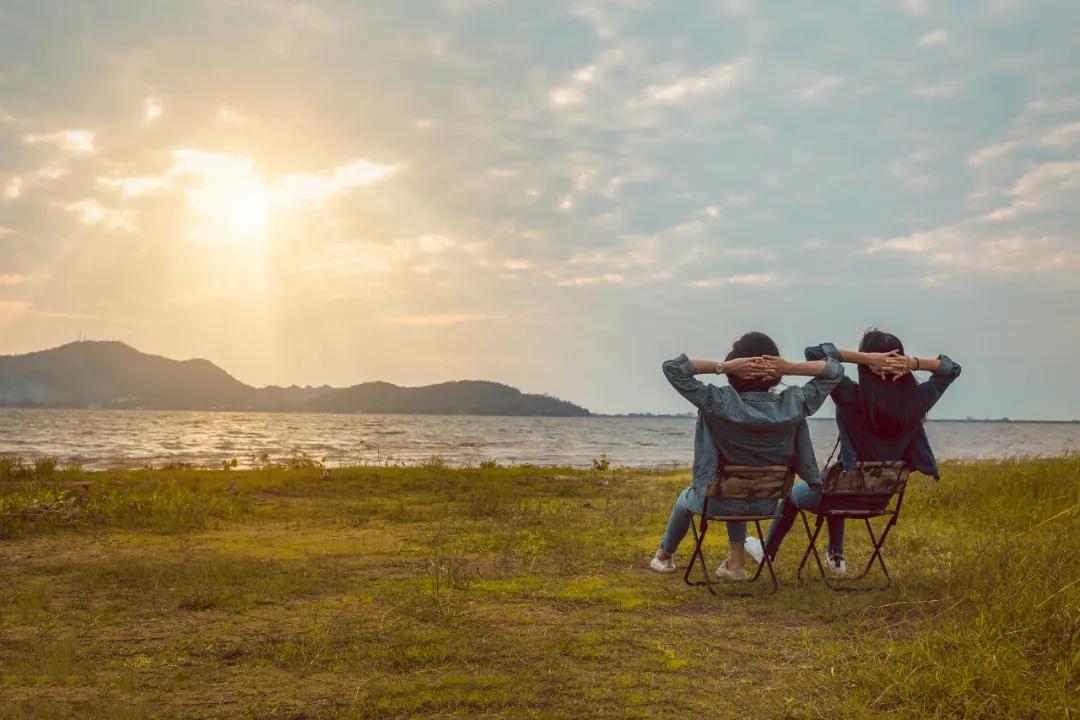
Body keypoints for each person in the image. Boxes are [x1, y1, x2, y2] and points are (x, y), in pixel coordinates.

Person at [755, 330, 962, 574]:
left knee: (797, 492)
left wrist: (865, 359)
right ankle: (836, 558)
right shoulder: (918, 399)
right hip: (880, 498)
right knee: (834, 479)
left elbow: (815, 353)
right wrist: (913, 363)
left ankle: (768, 552)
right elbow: (951, 369)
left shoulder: (851, 395)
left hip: (841, 493)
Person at [650, 331, 844, 581]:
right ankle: (736, 563)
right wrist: (788, 367)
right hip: (767, 501)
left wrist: (724, 366)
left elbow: (672, 368)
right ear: (774, 373)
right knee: (736, 483)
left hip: (718, 499)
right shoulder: (795, 402)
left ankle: (664, 556)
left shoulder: (718, 401)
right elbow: (836, 371)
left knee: (686, 498)